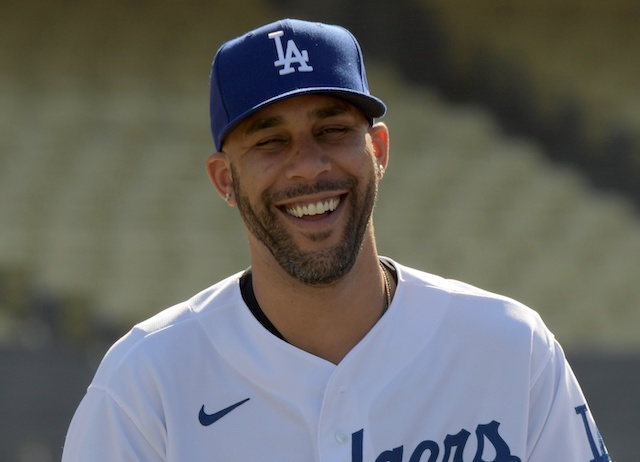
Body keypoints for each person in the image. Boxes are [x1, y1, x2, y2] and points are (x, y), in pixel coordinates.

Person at [62, 18, 611, 461]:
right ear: (225, 180)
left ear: (379, 151)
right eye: (270, 142)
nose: (308, 166)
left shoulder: (511, 348)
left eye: (332, 131)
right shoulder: (145, 383)